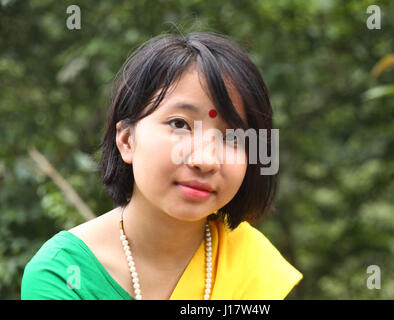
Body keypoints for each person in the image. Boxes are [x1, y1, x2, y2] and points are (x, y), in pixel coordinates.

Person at [21, 31, 303, 300]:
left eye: (232, 137)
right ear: (127, 140)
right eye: (179, 124)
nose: (204, 160)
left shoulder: (253, 269)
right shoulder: (64, 275)